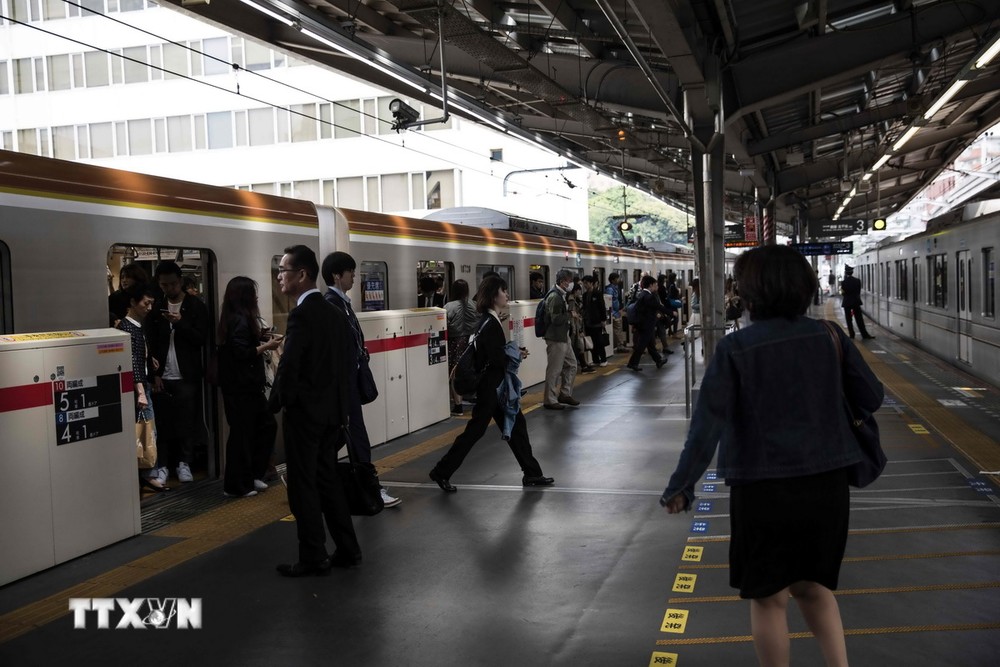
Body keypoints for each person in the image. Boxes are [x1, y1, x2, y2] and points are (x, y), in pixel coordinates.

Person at [661, 244, 884, 667]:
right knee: (815, 588)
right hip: (827, 484)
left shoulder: (736, 348)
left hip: (761, 488)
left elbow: (706, 427)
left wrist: (681, 486)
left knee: (768, 599)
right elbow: (872, 396)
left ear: (750, 294)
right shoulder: (830, 336)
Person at [269, 245, 361, 576]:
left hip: (306, 417)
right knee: (328, 482)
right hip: (332, 416)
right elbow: (343, 367)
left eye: (284, 270)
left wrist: (276, 403)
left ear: (302, 275)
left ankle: (313, 556)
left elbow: (289, 367)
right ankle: (349, 549)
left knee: (303, 485)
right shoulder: (335, 313)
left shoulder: (302, 315)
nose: (280, 276)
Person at [428, 276, 553, 492]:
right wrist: (516, 355)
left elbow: (490, 354)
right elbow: (495, 359)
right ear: (494, 295)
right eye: (504, 291)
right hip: (491, 389)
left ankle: (532, 473)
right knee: (475, 432)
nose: (507, 295)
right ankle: (441, 471)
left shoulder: (488, 320)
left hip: (494, 387)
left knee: (516, 428)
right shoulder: (490, 324)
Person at [322, 251, 401, 509]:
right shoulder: (332, 304)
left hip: (348, 384)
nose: (355, 277)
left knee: (345, 437)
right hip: (345, 386)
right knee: (356, 437)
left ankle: (321, 482)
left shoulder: (341, 303)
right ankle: (370, 489)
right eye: (351, 272)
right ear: (337, 275)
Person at [217, 277, 281, 498]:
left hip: (244, 386)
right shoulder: (240, 320)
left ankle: (252, 474)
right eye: (253, 293)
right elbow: (241, 353)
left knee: (261, 426)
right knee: (244, 434)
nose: (256, 297)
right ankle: (237, 485)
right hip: (241, 387)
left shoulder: (235, 318)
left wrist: (259, 337)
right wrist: (267, 345)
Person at [146, 261, 210, 484]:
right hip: (162, 373)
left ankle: (184, 463)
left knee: (186, 421)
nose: (169, 289)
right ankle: (163, 465)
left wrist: (181, 323)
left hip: (187, 374)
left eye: (172, 284)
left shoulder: (195, 306)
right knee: (162, 423)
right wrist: (153, 374)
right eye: (164, 285)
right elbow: (151, 342)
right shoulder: (155, 307)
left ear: (180, 281)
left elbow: (201, 339)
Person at [117, 283, 169, 493]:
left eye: (151, 304)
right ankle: (149, 474)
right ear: (132, 302)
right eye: (145, 303)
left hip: (141, 385)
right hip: (138, 388)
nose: (149, 308)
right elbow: (132, 363)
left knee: (144, 431)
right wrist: (140, 392)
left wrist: (150, 360)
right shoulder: (128, 328)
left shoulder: (135, 325)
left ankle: (145, 473)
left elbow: (138, 358)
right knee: (147, 431)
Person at [542, 269, 579, 410]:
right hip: (556, 338)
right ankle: (550, 400)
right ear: (563, 281)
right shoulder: (555, 297)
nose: (571, 284)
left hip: (563, 336)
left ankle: (565, 393)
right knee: (554, 370)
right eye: (569, 281)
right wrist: (570, 314)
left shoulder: (561, 295)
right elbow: (556, 319)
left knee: (572, 364)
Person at [445, 278, 480, 415]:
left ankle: (458, 405)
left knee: (455, 373)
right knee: (472, 369)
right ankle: (473, 395)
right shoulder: (474, 304)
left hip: (455, 343)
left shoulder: (449, 306)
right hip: (472, 341)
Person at [627, 275, 668, 371]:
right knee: (641, 345)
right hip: (646, 324)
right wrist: (670, 313)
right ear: (651, 285)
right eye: (655, 285)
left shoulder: (642, 294)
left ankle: (658, 360)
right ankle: (632, 363)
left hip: (644, 324)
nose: (656, 286)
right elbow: (658, 307)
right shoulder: (648, 296)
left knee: (650, 345)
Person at [108, 263, 150, 327]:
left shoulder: (145, 296)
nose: (124, 280)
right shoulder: (115, 297)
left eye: (128, 277)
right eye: (122, 277)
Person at [840, 265, 874, 340]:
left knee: (849, 319)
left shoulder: (843, 282)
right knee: (859, 319)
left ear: (846, 273)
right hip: (856, 301)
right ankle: (864, 334)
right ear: (852, 272)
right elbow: (858, 292)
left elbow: (843, 293)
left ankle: (852, 334)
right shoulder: (857, 280)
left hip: (847, 302)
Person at [568, 281, 595, 374]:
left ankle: (584, 364)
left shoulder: (574, 299)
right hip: (575, 327)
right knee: (579, 346)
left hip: (577, 326)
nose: (580, 292)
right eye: (579, 290)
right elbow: (572, 314)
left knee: (579, 346)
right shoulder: (571, 300)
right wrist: (578, 329)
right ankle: (583, 366)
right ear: (575, 291)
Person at [581, 275, 608, 367]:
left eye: (586, 283)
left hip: (597, 322)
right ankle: (595, 359)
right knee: (591, 342)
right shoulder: (584, 295)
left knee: (599, 341)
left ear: (591, 283)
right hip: (588, 322)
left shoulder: (597, 294)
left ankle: (604, 359)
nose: (585, 285)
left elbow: (602, 307)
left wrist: (603, 319)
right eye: (584, 283)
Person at [605, 273, 627, 352]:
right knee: (617, 329)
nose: (619, 280)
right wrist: (613, 313)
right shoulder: (610, 289)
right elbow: (608, 301)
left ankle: (620, 345)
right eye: (617, 278)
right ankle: (620, 346)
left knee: (618, 329)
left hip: (617, 312)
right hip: (613, 313)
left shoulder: (615, 288)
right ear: (612, 280)